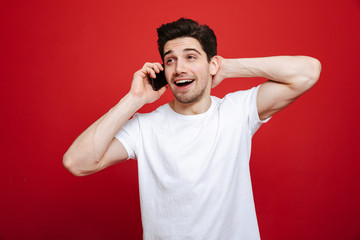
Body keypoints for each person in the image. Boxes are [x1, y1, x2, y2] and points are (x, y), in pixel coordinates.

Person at [63, 18, 321, 240]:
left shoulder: (237, 112)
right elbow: (77, 162)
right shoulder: (146, 127)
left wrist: (227, 67)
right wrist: (135, 98)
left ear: (212, 64)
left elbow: (308, 72)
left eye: (191, 57)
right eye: (170, 60)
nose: (179, 68)